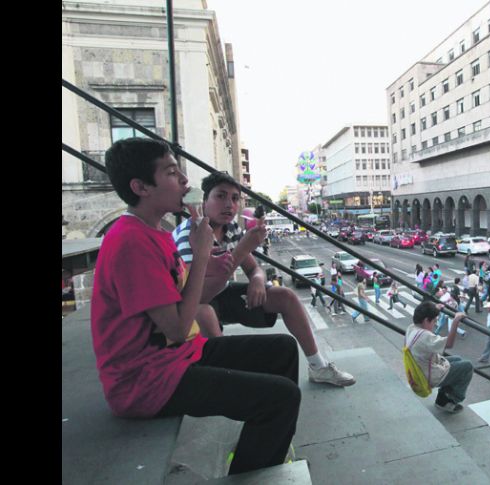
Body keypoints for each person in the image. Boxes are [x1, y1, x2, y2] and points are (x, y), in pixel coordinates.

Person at [93, 138, 300, 475]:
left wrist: (222, 261)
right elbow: (176, 327)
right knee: (281, 399)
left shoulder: (155, 231)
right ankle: (255, 466)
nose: (185, 182)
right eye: (173, 173)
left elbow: (196, 296)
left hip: (177, 356)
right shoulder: (131, 241)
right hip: (146, 380)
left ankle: (265, 448)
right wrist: (202, 254)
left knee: (283, 349)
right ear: (141, 187)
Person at [174, 171, 355, 387]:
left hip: (220, 291)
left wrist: (258, 280)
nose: (229, 204)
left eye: (234, 198)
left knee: (285, 296)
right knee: (205, 313)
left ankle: (318, 366)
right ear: (204, 201)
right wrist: (243, 249)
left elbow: (253, 268)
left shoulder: (231, 229)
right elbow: (197, 296)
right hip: (191, 302)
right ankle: (231, 381)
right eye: (220, 196)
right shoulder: (189, 234)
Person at [406, 302, 471, 413]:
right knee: (467, 367)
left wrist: (434, 309)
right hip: (428, 376)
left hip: (420, 369)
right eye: (435, 321)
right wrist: (455, 321)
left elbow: (426, 317)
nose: (435, 324)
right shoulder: (425, 336)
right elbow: (449, 344)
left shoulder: (411, 328)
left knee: (457, 359)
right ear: (426, 320)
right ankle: (452, 399)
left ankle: (443, 397)